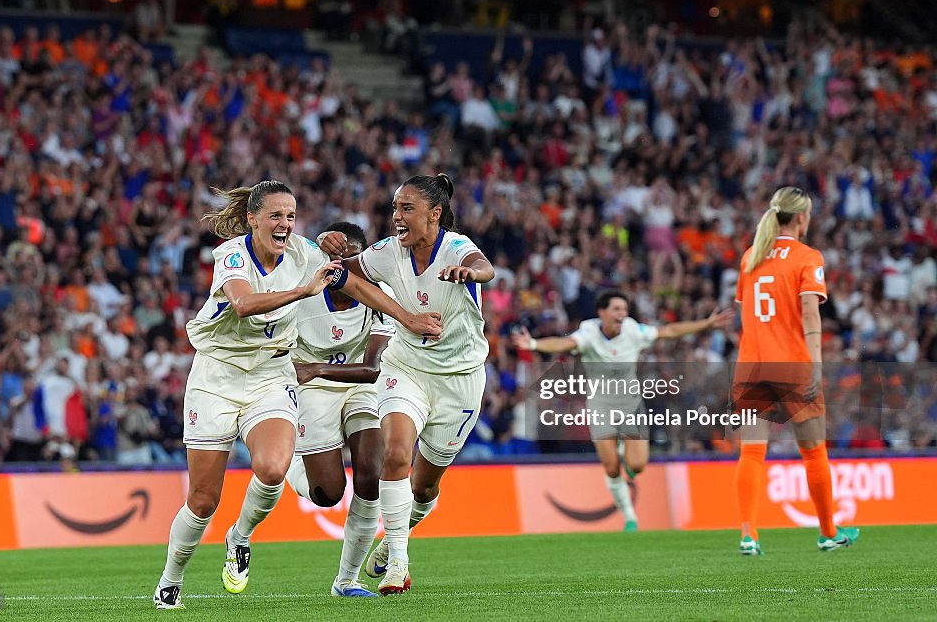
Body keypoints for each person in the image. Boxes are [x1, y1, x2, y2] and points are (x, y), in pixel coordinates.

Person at [152, 181, 441, 609]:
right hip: (217, 376)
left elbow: (353, 282)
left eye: (290, 216)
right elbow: (244, 304)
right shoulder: (232, 255)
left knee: (271, 469)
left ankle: (240, 537)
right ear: (252, 220)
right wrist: (303, 291)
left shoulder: (305, 252)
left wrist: (408, 317)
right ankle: (170, 578)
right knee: (203, 498)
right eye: (275, 215)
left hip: (272, 373)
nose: (285, 223)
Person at [319, 173, 494, 595]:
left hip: (459, 380)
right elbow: (344, 273)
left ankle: (397, 537)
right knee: (396, 454)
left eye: (406, 209)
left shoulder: (456, 247)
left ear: (435, 214)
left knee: (425, 486)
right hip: (407, 367)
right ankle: (399, 561)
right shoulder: (388, 251)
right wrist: (322, 243)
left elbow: (485, 268)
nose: (396, 217)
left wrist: (466, 273)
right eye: (395, 208)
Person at [235, 221, 393, 598]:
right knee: (328, 494)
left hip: (356, 383)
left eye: (350, 260)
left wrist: (318, 368)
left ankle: (347, 581)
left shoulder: (380, 294)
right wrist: (317, 241)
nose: (340, 266)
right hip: (309, 389)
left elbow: (373, 369)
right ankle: (290, 459)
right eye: (332, 257)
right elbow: (279, 247)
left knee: (372, 475)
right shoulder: (306, 286)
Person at [511, 291, 732, 531]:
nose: (622, 314)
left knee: (637, 466)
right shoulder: (588, 332)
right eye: (616, 309)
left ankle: (625, 453)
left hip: (630, 404)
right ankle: (629, 517)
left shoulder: (633, 330)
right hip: (600, 405)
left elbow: (668, 331)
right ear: (602, 313)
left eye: (624, 310)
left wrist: (706, 323)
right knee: (611, 467)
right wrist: (533, 344)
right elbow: (564, 343)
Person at [731, 186, 859, 555]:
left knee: (752, 453)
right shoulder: (807, 257)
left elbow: (747, 316)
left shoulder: (750, 257)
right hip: (792, 365)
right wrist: (816, 363)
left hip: (752, 365)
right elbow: (809, 316)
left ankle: (748, 535)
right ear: (802, 217)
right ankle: (828, 532)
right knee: (814, 451)